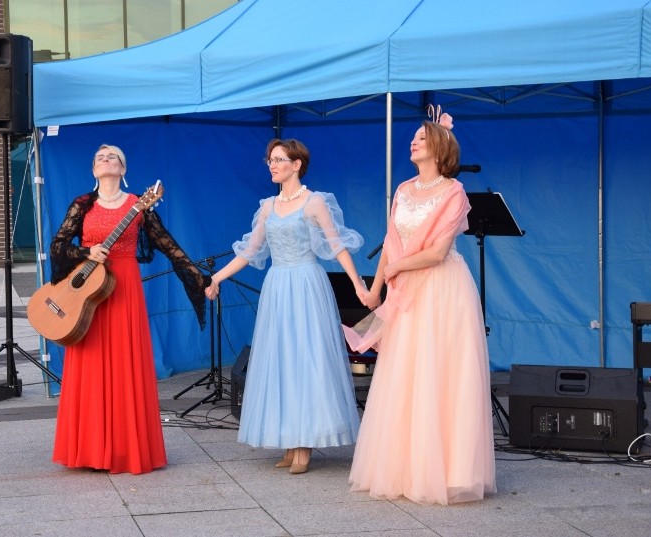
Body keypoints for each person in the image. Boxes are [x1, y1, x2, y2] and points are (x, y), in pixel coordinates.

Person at [346, 107, 496, 504]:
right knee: (405, 374)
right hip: (405, 290)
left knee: (442, 375)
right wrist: (376, 288)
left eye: (422, 138)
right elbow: (390, 241)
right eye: (413, 137)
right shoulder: (403, 189)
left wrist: (395, 268)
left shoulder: (453, 192)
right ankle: (405, 468)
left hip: (442, 289)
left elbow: (437, 251)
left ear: (440, 147)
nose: (413, 142)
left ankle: (448, 472)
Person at [205, 138, 368, 475]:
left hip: (307, 285)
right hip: (278, 287)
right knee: (281, 361)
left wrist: (357, 283)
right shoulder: (267, 206)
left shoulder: (314, 202)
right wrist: (216, 278)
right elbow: (249, 252)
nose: (272, 165)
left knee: (306, 359)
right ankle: (292, 442)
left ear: (297, 164)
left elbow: (337, 246)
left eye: (279, 159)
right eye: (270, 160)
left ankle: (305, 444)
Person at [50, 144, 208, 475]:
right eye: (98, 158)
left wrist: (197, 277)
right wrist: (86, 252)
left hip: (124, 286)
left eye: (111, 158)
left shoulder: (138, 205)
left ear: (122, 169)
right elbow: (59, 245)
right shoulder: (82, 204)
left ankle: (126, 450)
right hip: (90, 287)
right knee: (90, 360)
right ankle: (88, 449)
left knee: (126, 362)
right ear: (94, 170)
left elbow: (167, 244)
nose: (104, 161)